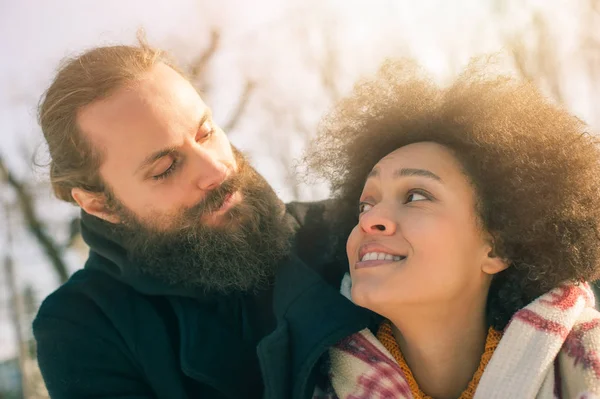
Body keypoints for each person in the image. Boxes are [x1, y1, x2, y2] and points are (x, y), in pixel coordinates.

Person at [32, 41, 373, 399]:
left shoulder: (346, 231)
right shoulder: (82, 326)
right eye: (165, 168)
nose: (216, 169)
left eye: (206, 132)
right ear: (101, 205)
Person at [303, 60, 600, 398]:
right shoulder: (299, 376)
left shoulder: (588, 363)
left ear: (497, 249)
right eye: (365, 204)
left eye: (415, 196)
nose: (369, 220)